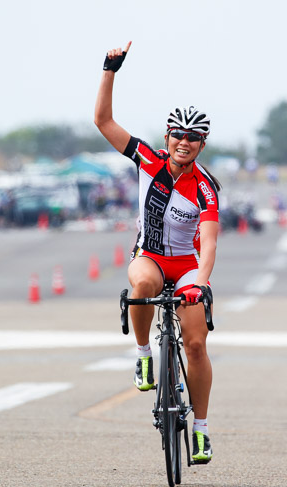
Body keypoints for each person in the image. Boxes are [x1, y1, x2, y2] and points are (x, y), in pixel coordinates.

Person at [94, 41, 220, 464]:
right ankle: (144, 355)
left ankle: (200, 430)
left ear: (202, 145)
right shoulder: (147, 158)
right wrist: (110, 68)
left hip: (187, 268)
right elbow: (103, 120)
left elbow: (210, 244)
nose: (184, 142)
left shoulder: (204, 188)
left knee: (197, 346)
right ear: (167, 137)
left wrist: (199, 286)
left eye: (193, 138)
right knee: (144, 283)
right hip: (149, 254)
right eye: (178, 135)